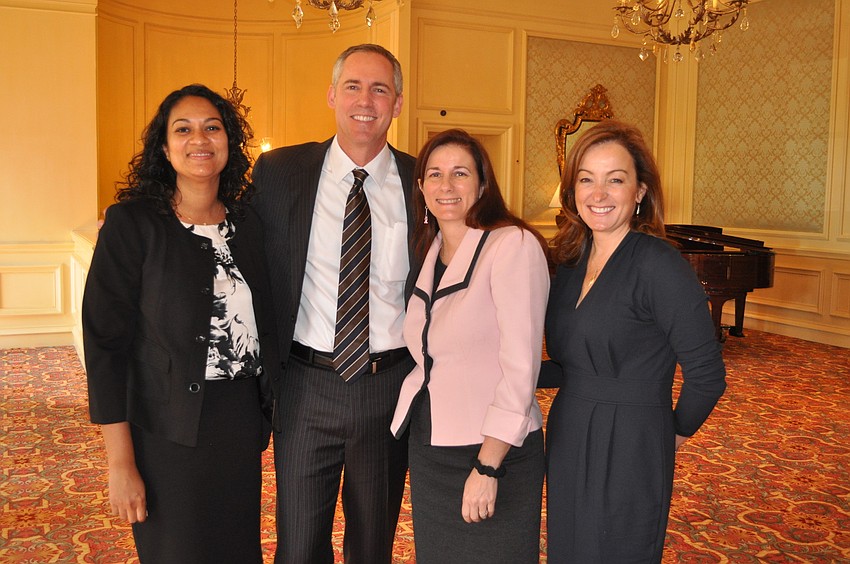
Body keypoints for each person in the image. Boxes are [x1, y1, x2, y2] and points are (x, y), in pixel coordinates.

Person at [82, 83, 278, 563]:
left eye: (213, 127)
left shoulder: (248, 223)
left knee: (237, 552)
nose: (200, 139)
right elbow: (105, 346)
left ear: (229, 142)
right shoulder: (132, 225)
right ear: (164, 148)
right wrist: (120, 462)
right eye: (183, 129)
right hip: (164, 430)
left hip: (238, 423)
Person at [251, 44, 415, 564]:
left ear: (398, 102)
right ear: (331, 95)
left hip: (386, 387)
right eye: (353, 86)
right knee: (298, 546)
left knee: (372, 546)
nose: (365, 100)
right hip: (304, 386)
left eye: (380, 88)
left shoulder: (424, 182)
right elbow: (217, 220)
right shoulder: (278, 172)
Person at [542, 119, 727, 563]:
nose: (598, 194)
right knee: (569, 546)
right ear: (572, 191)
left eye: (615, 180)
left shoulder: (660, 265)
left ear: (640, 191)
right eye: (586, 179)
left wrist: (672, 433)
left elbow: (707, 376)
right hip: (569, 426)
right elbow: (574, 364)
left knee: (617, 548)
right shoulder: (569, 261)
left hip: (633, 437)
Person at [390, 129, 550, 563]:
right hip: (431, 445)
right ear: (420, 188)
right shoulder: (430, 251)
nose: (446, 186)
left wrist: (488, 465)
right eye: (435, 175)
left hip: (492, 449)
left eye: (460, 173)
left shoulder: (512, 245)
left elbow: (521, 366)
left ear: (482, 184)